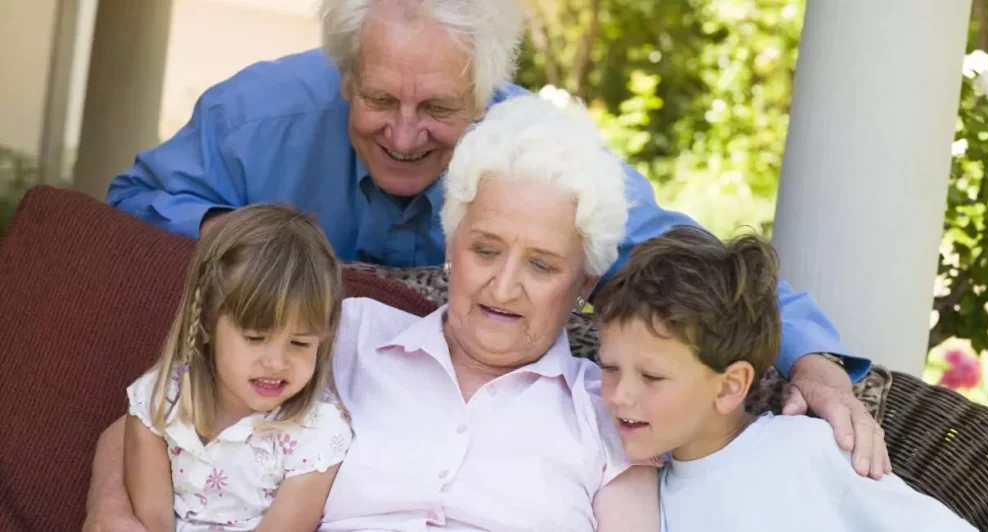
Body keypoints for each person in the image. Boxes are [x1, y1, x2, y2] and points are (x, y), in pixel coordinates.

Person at [103, 0, 888, 476]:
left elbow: (690, 267)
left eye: (439, 109)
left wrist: (812, 360)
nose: (405, 135)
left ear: (486, 94)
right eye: (379, 99)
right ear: (345, 76)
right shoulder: (257, 116)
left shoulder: (532, 160)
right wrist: (250, 250)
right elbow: (135, 198)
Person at [90, 94, 660, 532]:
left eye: (541, 266)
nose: (503, 285)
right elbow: (153, 417)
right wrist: (110, 514)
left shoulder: (608, 412)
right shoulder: (344, 337)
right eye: (485, 249)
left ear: (584, 283)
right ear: (450, 242)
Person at [594, 226, 978, 532]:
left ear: (729, 386)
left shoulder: (805, 451)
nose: (620, 396)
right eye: (609, 367)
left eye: (652, 376)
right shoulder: (649, 499)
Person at [122, 205, 352, 530]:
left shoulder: (317, 434)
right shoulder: (158, 401)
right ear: (204, 325)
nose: (276, 362)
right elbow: (151, 521)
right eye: (255, 338)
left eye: (300, 343)